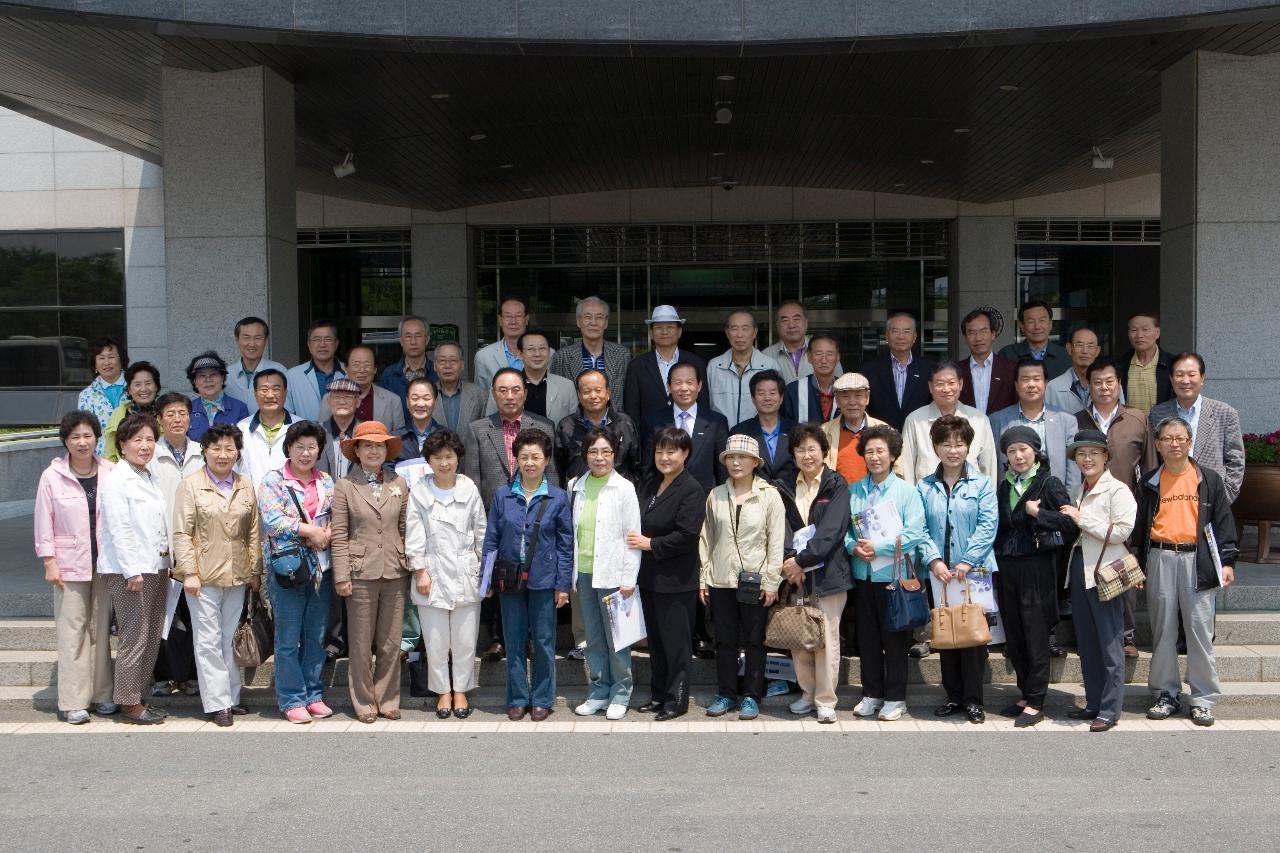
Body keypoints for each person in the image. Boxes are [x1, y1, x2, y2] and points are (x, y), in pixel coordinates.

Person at [1137, 417, 1238, 728]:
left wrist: (1228, 560)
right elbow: (1140, 525)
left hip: (1199, 560)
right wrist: (1139, 563)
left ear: (1190, 441)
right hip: (1160, 556)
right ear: (1158, 444)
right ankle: (1165, 694)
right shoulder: (1150, 481)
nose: (1175, 443)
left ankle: (1203, 699)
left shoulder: (1208, 479)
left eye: (1180, 437)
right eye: (1167, 438)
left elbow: (1223, 522)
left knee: (1199, 631)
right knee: (1163, 630)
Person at [463, 367, 559, 662]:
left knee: (531, 575)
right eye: (502, 390)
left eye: (515, 389)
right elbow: (473, 478)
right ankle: (496, 638)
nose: (509, 396)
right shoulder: (477, 429)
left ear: (525, 393)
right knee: (497, 575)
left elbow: (551, 474)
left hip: (535, 515)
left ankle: (529, 638)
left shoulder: (543, 426)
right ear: (493, 394)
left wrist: (549, 513)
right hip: (495, 515)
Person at [170, 423, 262, 727]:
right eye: (216, 448)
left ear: (237, 453)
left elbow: (253, 532)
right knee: (208, 640)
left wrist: (255, 571)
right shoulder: (191, 485)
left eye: (229, 448)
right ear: (205, 451)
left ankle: (232, 697)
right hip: (203, 577)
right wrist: (189, 572)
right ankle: (217, 702)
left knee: (229, 638)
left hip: (237, 574)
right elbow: (182, 533)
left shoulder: (244, 485)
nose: (223, 454)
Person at [482, 429, 573, 722]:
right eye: (524, 457)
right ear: (516, 460)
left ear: (546, 460)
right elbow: (491, 539)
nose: (530, 462)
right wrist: (486, 580)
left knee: (545, 642)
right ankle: (518, 697)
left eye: (536, 456)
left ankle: (543, 698)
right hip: (509, 579)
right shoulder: (503, 494)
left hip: (544, 579)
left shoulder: (557, 497)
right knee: (514, 640)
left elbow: (565, 544)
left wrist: (563, 585)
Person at [33, 411, 117, 724]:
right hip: (68, 566)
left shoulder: (110, 471)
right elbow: (44, 521)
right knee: (72, 632)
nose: (82, 442)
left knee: (99, 630)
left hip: (104, 563)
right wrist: (49, 560)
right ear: (66, 441)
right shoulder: (52, 476)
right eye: (75, 437)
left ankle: (102, 695)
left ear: (97, 438)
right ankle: (73, 700)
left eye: (87, 436)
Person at [992, 426, 1078, 727]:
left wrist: (1036, 514)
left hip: (1038, 566)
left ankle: (1038, 698)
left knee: (1035, 631)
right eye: (1012, 451)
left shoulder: (1048, 483)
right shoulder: (1004, 486)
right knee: (1014, 633)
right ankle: (1025, 692)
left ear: (1035, 451)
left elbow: (1071, 524)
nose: (1018, 455)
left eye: (1023, 449)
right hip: (1007, 566)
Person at [917, 415, 999, 725]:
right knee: (946, 633)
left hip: (974, 572)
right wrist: (934, 560)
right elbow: (920, 527)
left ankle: (974, 700)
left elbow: (988, 525)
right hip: (940, 573)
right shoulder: (925, 486)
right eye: (946, 444)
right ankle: (952, 696)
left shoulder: (981, 483)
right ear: (936, 447)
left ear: (968, 447)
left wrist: (967, 561)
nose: (953, 450)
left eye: (960, 444)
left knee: (973, 637)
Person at [844, 425, 928, 721]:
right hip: (863, 575)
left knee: (894, 640)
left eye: (881, 451)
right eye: (869, 451)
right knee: (867, 639)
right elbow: (845, 532)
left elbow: (915, 533)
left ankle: (896, 698)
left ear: (893, 454)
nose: (875, 456)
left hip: (893, 577)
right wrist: (854, 546)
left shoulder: (907, 491)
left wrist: (877, 547)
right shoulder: (854, 490)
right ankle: (871, 694)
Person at [698, 434, 784, 721]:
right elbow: (706, 539)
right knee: (724, 639)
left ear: (754, 463)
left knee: (755, 639)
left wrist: (773, 580)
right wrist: (703, 577)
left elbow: (776, 541)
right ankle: (726, 693)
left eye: (742, 457)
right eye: (731, 457)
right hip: (721, 578)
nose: (736, 462)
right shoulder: (716, 494)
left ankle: (751, 695)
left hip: (756, 579)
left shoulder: (769, 495)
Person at [1076, 357, 1157, 657]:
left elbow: (1149, 468)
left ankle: (1126, 635)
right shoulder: (1078, 419)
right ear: (1089, 385)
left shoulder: (1136, 418)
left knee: (1123, 563)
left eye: (1110, 381)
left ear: (1119, 383)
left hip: (1124, 506)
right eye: (1097, 382)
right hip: (1086, 504)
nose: (1104, 387)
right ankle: (1090, 630)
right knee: (1088, 566)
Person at [330, 421, 410, 724]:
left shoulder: (398, 483)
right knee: (361, 642)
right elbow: (339, 534)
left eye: (379, 445)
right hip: (360, 571)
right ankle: (364, 702)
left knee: (391, 641)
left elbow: (404, 527)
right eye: (367, 445)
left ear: (387, 450)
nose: (374, 450)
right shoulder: (345, 486)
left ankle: (388, 698)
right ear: (357, 452)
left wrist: (411, 565)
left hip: (394, 569)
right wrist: (341, 576)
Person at [1059, 430, 1137, 732]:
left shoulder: (1117, 490)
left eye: (1094, 452)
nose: (1087, 458)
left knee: (1109, 643)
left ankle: (1109, 709)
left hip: (1106, 573)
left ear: (1106, 456)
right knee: (1087, 643)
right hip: (1081, 571)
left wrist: (1081, 518)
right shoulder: (1080, 488)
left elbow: (1121, 532)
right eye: (1081, 454)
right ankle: (1093, 702)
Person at [774, 423, 852, 724]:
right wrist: (788, 561)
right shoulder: (783, 486)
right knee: (800, 637)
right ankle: (807, 693)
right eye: (800, 450)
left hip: (828, 574)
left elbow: (832, 531)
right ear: (793, 455)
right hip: (795, 575)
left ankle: (825, 699)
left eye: (812, 449)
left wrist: (801, 561)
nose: (807, 455)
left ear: (824, 453)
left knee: (827, 639)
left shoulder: (836, 485)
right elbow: (780, 527)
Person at [406, 429, 487, 720]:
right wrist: (420, 571)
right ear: (428, 461)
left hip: (466, 571)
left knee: (465, 639)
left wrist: (485, 574)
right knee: (436, 639)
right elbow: (413, 536)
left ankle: (462, 690)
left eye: (449, 457)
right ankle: (442, 691)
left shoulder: (469, 489)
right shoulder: (420, 491)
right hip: (432, 571)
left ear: (457, 459)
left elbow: (482, 533)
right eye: (438, 457)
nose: (444, 463)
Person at [627, 427, 707, 721]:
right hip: (649, 578)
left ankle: (677, 699)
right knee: (657, 643)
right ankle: (659, 695)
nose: (664, 457)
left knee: (676, 644)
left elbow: (687, 535)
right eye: (660, 451)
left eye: (671, 451)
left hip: (676, 580)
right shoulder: (651, 484)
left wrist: (652, 544)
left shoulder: (692, 489)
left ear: (685, 453)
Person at [258, 420, 335, 724]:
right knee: (288, 637)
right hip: (287, 569)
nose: (306, 453)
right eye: (299, 446)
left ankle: (313, 694)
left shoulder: (327, 481)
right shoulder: (273, 481)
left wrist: (327, 531)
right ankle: (291, 698)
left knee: (315, 636)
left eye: (312, 447)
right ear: (288, 448)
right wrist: (310, 532)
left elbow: (336, 515)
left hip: (321, 568)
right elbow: (272, 519)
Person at [97, 412, 171, 725]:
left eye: (150, 439)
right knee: (134, 637)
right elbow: (119, 528)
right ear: (122, 444)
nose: (145, 446)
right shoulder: (116, 479)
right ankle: (128, 704)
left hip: (156, 567)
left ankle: (139, 697)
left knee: (152, 635)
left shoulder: (147, 475)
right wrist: (131, 571)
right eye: (137, 440)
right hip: (131, 572)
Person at [570, 428, 642, 721]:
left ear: (615, 454)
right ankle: (599, 691)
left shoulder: (624, 488)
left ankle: (621, 693)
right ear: (585, 455)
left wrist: (629, 578)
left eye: (606, 452)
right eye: (593, 452)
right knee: (593, 638)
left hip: (614, 574)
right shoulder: (576, 485)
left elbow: (632, 536)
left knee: (618, 640)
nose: (599, 458)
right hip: (585, 572)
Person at [148, 391, 203, 696]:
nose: (177, 419)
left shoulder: (202, 451)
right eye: (169, 414)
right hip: (162, 550)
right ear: (159, 420)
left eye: (182, 413)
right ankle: (164, 676)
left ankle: (193, 675)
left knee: (196, 615)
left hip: (197, 549)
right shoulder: (151, 456)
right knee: (163, 617)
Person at [1148, 352, 1244, 504]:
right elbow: (1152, 459)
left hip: (1211, 497)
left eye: (1191, 374)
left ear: (1202, 378)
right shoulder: (1158, 413)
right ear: (1171, 379)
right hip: (1168, 498)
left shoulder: (1225, 413)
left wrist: (1223, 499)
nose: (1185, 380)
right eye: (1179, 375)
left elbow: (1236, 461)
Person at [899, 361, 999, 485]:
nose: (946, 389)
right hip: (925, 498)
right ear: (930, 387)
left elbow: (988, 467)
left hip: (970, 498)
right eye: (940, 384)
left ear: (961, 384)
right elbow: (906, 467)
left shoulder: (979, 419)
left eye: (951, 383)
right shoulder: (914, 420)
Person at [990, 358, 1081, 492]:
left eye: (1037, 379)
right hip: (1012, 501)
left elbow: (1073, 472)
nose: (1031, 384)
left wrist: (1067, 505)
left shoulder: (1067, 421)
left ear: (1046, 383)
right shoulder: (997, 420)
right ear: (1016, 384)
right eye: (1025, 379)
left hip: (1054, 502)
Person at [642, 361, 729, 492]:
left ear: (699, 386)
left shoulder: (716, 422)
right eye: (677, 382)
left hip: (704, 499)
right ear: (669, 387)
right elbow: (647, 468)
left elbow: (722, 470)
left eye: (689, 382)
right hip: (665, 498)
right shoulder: (654, 420)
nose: (684, 388)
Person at [622, 304, 710, 430]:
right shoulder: (637, 366)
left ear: (679, 332)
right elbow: (632, 408)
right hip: (650, 437)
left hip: (689, 435)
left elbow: (703, 403)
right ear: (651, 333)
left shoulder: (696, 362)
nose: (664, 332)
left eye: (670, 327)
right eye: (659, 328)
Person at [555, 368, 643, 483]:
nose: (593, 396)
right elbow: (559, 469)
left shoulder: (625, 423)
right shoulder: (566, 426)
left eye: (598, 390)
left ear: (608, 393)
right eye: (587, 391)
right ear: (579, 395)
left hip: (617, 495)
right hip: (579, 496)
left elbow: (636, 464)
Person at [549, 296, 632, 406]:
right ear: (578, 321)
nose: (593, 322)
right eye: (588, 317)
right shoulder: (562, 357)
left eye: (599, 317)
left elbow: (629, 395)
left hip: (614, 421)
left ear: (606, 322)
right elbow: (558, 399)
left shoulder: (622, 354)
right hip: (575, 422)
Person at [860, 311, 935, 431]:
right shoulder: (870, 369)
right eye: (895, 331)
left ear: (915, 337)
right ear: (886, 336)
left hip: (919, 436)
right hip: (881, 439)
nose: (901, 336)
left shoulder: (929, 368)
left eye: (906, 331)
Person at [484, 329, 575, 424]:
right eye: (531, 349)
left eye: (542, 348)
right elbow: (490, 423)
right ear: (520, 354)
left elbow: (573, 425)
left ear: (549, 352)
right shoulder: (501, 385)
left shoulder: (567, 386)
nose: (537, 354)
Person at [731, 369, 797, 487]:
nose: (767, 398)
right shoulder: (739, 432)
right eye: (761, 393)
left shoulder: (796, 431)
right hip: (754, 499)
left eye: (772, 393)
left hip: (791, 498)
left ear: (781, 398)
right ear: (753, 398)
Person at [706, 309, 772, 428]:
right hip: (721, 437)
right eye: (734, 329)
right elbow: (706, 405)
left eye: (745, 328)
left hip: (757, 436)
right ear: (727, 333)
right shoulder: (714, 366)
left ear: (755, 332)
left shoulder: (769, 366)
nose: (739, 335)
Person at [820, 372, 888, 485]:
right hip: (837, 498)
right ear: (836, 400)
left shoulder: (885, 431)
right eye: (845, 397)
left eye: (858, 396)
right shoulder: (823, 432)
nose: (852, 402)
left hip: (875, 498)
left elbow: (898, 470)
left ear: (867, 398)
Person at [323, 345, 406, 435]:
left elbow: (400, 438)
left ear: (375, 369)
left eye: (367, 365)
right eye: (356, 365)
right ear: (346, 369)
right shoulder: (330, 398)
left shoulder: (393, 400)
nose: (362, 370)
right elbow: (322, 434)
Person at [236, 368, 298, 487]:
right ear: (255, 393)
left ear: (285, 393)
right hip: (251, 502)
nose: (270, 395)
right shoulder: (242, 428)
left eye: (276, 389)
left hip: (292, 502)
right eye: (264, 390)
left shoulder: (301, 427)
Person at [475, 295, 547, 392]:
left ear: (526, 319)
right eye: (508, 316)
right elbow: (481, 396)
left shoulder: (548, 354)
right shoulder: (484, 356)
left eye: (518, 316)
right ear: (500, 320)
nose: (513, 322)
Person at [761, 300, 842, 385]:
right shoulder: (766, 356)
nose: (791, 325)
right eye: (785, 320)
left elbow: (839, 387)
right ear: (777, 325)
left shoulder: (828, 353)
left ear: (806, 322)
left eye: (796, 319)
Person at [377, 316, 438, 424]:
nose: (413, 342)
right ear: (401, 341)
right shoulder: (389, 374)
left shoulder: (437, 372)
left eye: (418, 336)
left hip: (432, 437)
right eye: (408, 336)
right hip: (397, 437)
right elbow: (384, 412)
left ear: (427, 339)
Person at [957, 308, 1017, 415]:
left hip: (1001, 430)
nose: (978, 338)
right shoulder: (956, 371)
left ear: (993, 334)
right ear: (965, 338)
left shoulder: (1011, 369)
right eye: (971, 333)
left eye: (983, 331)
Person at [285, 319, 347, 422]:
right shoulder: (292, 376)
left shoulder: (350, 373)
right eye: (316, 339)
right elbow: (287, 415)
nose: (322, 344)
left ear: (336, 344)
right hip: (304, 435)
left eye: (328, 339)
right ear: (309, 344)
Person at [223, 316, 287, 414]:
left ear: (265, 341)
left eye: (258, 338)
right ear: (237, 339)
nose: (252, 344)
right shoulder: (226, 375)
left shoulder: (280, 371)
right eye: (246, 337)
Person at [78, 336, 129, 456]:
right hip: (103, 458)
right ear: (95, 363)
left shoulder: (135, 385)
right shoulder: (87, 395)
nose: (107, 362)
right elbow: (85, 431)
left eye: (111, 357)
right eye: (101, 358)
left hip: (136, 454)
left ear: (121, 360)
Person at [185, 351, 249, 442]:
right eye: (202, 376)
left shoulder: (239, 408)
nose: (208, 379)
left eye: (213, 374)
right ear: (194, 382)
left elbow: (243, 443)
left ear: (222, 378)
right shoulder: (187, 409)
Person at [103, 361, 160, 463]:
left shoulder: (165, 413)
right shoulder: (119, 414)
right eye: (137, 384)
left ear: (156, 387)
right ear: (129, 389)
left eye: (148, 383)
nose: (143, 389)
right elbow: (110, 455)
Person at [997, 300, 1070, 379]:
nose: (1037, 327)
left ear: (1050, 324)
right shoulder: (1007, 355)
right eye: (1031, 321)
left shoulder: (1065, 356)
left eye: (1042, 320)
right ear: (1022, 326)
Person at [780, 333, 841, 424]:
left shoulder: (846, 390)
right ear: (809, 357)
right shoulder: (793, 391)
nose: (824, 360)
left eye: (829, 354)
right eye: (818, 354)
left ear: (838, 358)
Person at [1119, 311, 1173, 413]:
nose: (1139, 335)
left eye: (1145, 329)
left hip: (1163, 426)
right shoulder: (1121, 365)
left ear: (1157, 333)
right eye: (1134, 330)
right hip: (1129, 426)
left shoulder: (1172, 364)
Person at [1046, 326, 1109, 414]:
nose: (1085, 351)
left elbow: (1120, 419)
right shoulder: (1053, 387)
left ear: (1097, 351)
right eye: (1079, 345)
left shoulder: (1112, 385)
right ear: (1069, 348)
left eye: (1090, 346)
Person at [431, 341, 486, 433]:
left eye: (453, 361)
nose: (447, 366)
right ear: (435, 366)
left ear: (462, 365)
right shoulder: (426, 394)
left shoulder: (479, 395)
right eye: (442, 361)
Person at [316, 377, 362, 480]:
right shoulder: (315, 432)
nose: (341, 402)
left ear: (358, 401)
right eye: (336, 397)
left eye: (348, 397)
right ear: (328, 401)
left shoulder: (367, 432)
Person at [398, 377, 439, 463]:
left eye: (426, 398)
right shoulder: (395, 439)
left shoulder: (447, 437)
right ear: (407, 402)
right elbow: (388, 470)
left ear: (435, 403)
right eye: (414, 398)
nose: (420, 404)